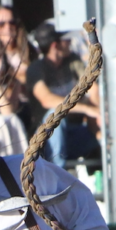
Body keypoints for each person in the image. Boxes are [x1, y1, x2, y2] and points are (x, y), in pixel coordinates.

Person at [25, 21, 100, 168]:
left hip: (74, 134)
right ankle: (57, 171)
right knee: (54, 115)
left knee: (110, 132)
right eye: (66, 40)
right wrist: (86, 109)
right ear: (55, 45)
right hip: (45, 140)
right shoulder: (36, 69)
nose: (70, 42)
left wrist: (97, 119)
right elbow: (47, 100)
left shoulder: (72, 61)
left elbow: (93, 88)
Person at [0, 5, 36, 132]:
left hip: (28, 106)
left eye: (12, 23)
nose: (7, 28)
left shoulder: (28, 51)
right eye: (1, 24)